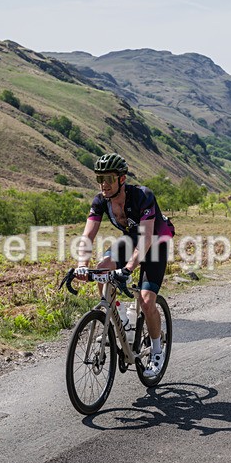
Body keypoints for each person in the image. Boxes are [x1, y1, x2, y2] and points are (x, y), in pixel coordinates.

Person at [75, 153, 175, 377]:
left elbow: (146, 239)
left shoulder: (143, 196)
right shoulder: (100, 201)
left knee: (146, 301)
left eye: (108, 179)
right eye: (100, 179)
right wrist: (82, 264)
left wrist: (128, 269)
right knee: (102, 266)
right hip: (131, 240)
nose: (104, 184)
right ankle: (121, 318)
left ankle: (157, 351)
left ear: (122, 179)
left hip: (155, 242)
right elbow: (88, 235)